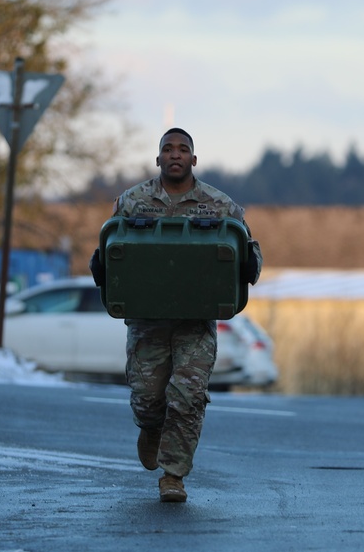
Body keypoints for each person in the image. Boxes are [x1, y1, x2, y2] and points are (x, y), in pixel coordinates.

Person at [90, 127, 262, 503]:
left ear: (193, 160)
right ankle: (151, 428)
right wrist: (100, 266)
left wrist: (249, 264)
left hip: (195, 323)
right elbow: (110, 247)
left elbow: (248, 249)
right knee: (148, 398)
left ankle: (173, 476)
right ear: (158, 159)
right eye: (167, 148)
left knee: (188, 396)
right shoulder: (133, 201)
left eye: (183, 149)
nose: (175, 154)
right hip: (147, 321)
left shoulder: (219, 205)